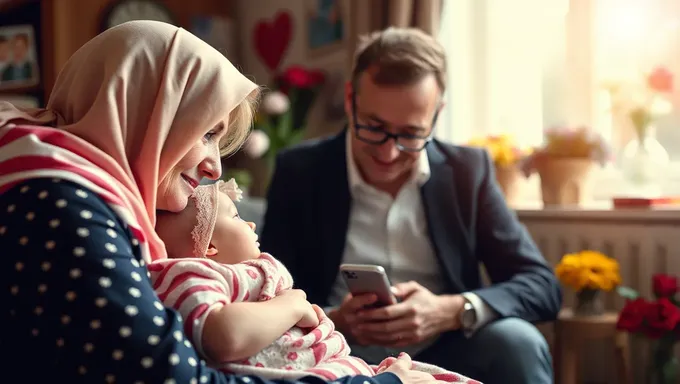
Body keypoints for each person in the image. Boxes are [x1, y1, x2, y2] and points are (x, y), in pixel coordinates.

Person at [0, 20, 419, 384]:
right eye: (206, 133)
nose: (215, 169)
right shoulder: (61, 203)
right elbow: (175, 378)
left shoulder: (63, 189)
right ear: (144, 113)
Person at [260, 27, 562, 384]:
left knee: (518, 342)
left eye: (410, 134)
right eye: (374, 127)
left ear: (437, 114)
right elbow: (268, 294)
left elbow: (541, 285)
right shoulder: (300, 170)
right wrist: (334, 320)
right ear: (349, 99)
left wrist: (451, 310)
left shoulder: (467, 171)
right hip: (336, 352)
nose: (388, 153)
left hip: (447, 349)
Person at [152, 179, 479, 383]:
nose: (251, 224)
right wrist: (293, 304)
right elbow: (223, 334)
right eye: (236, 217)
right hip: (318, 372)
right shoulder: (192, 274)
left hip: (342, 361)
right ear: (209, 246)